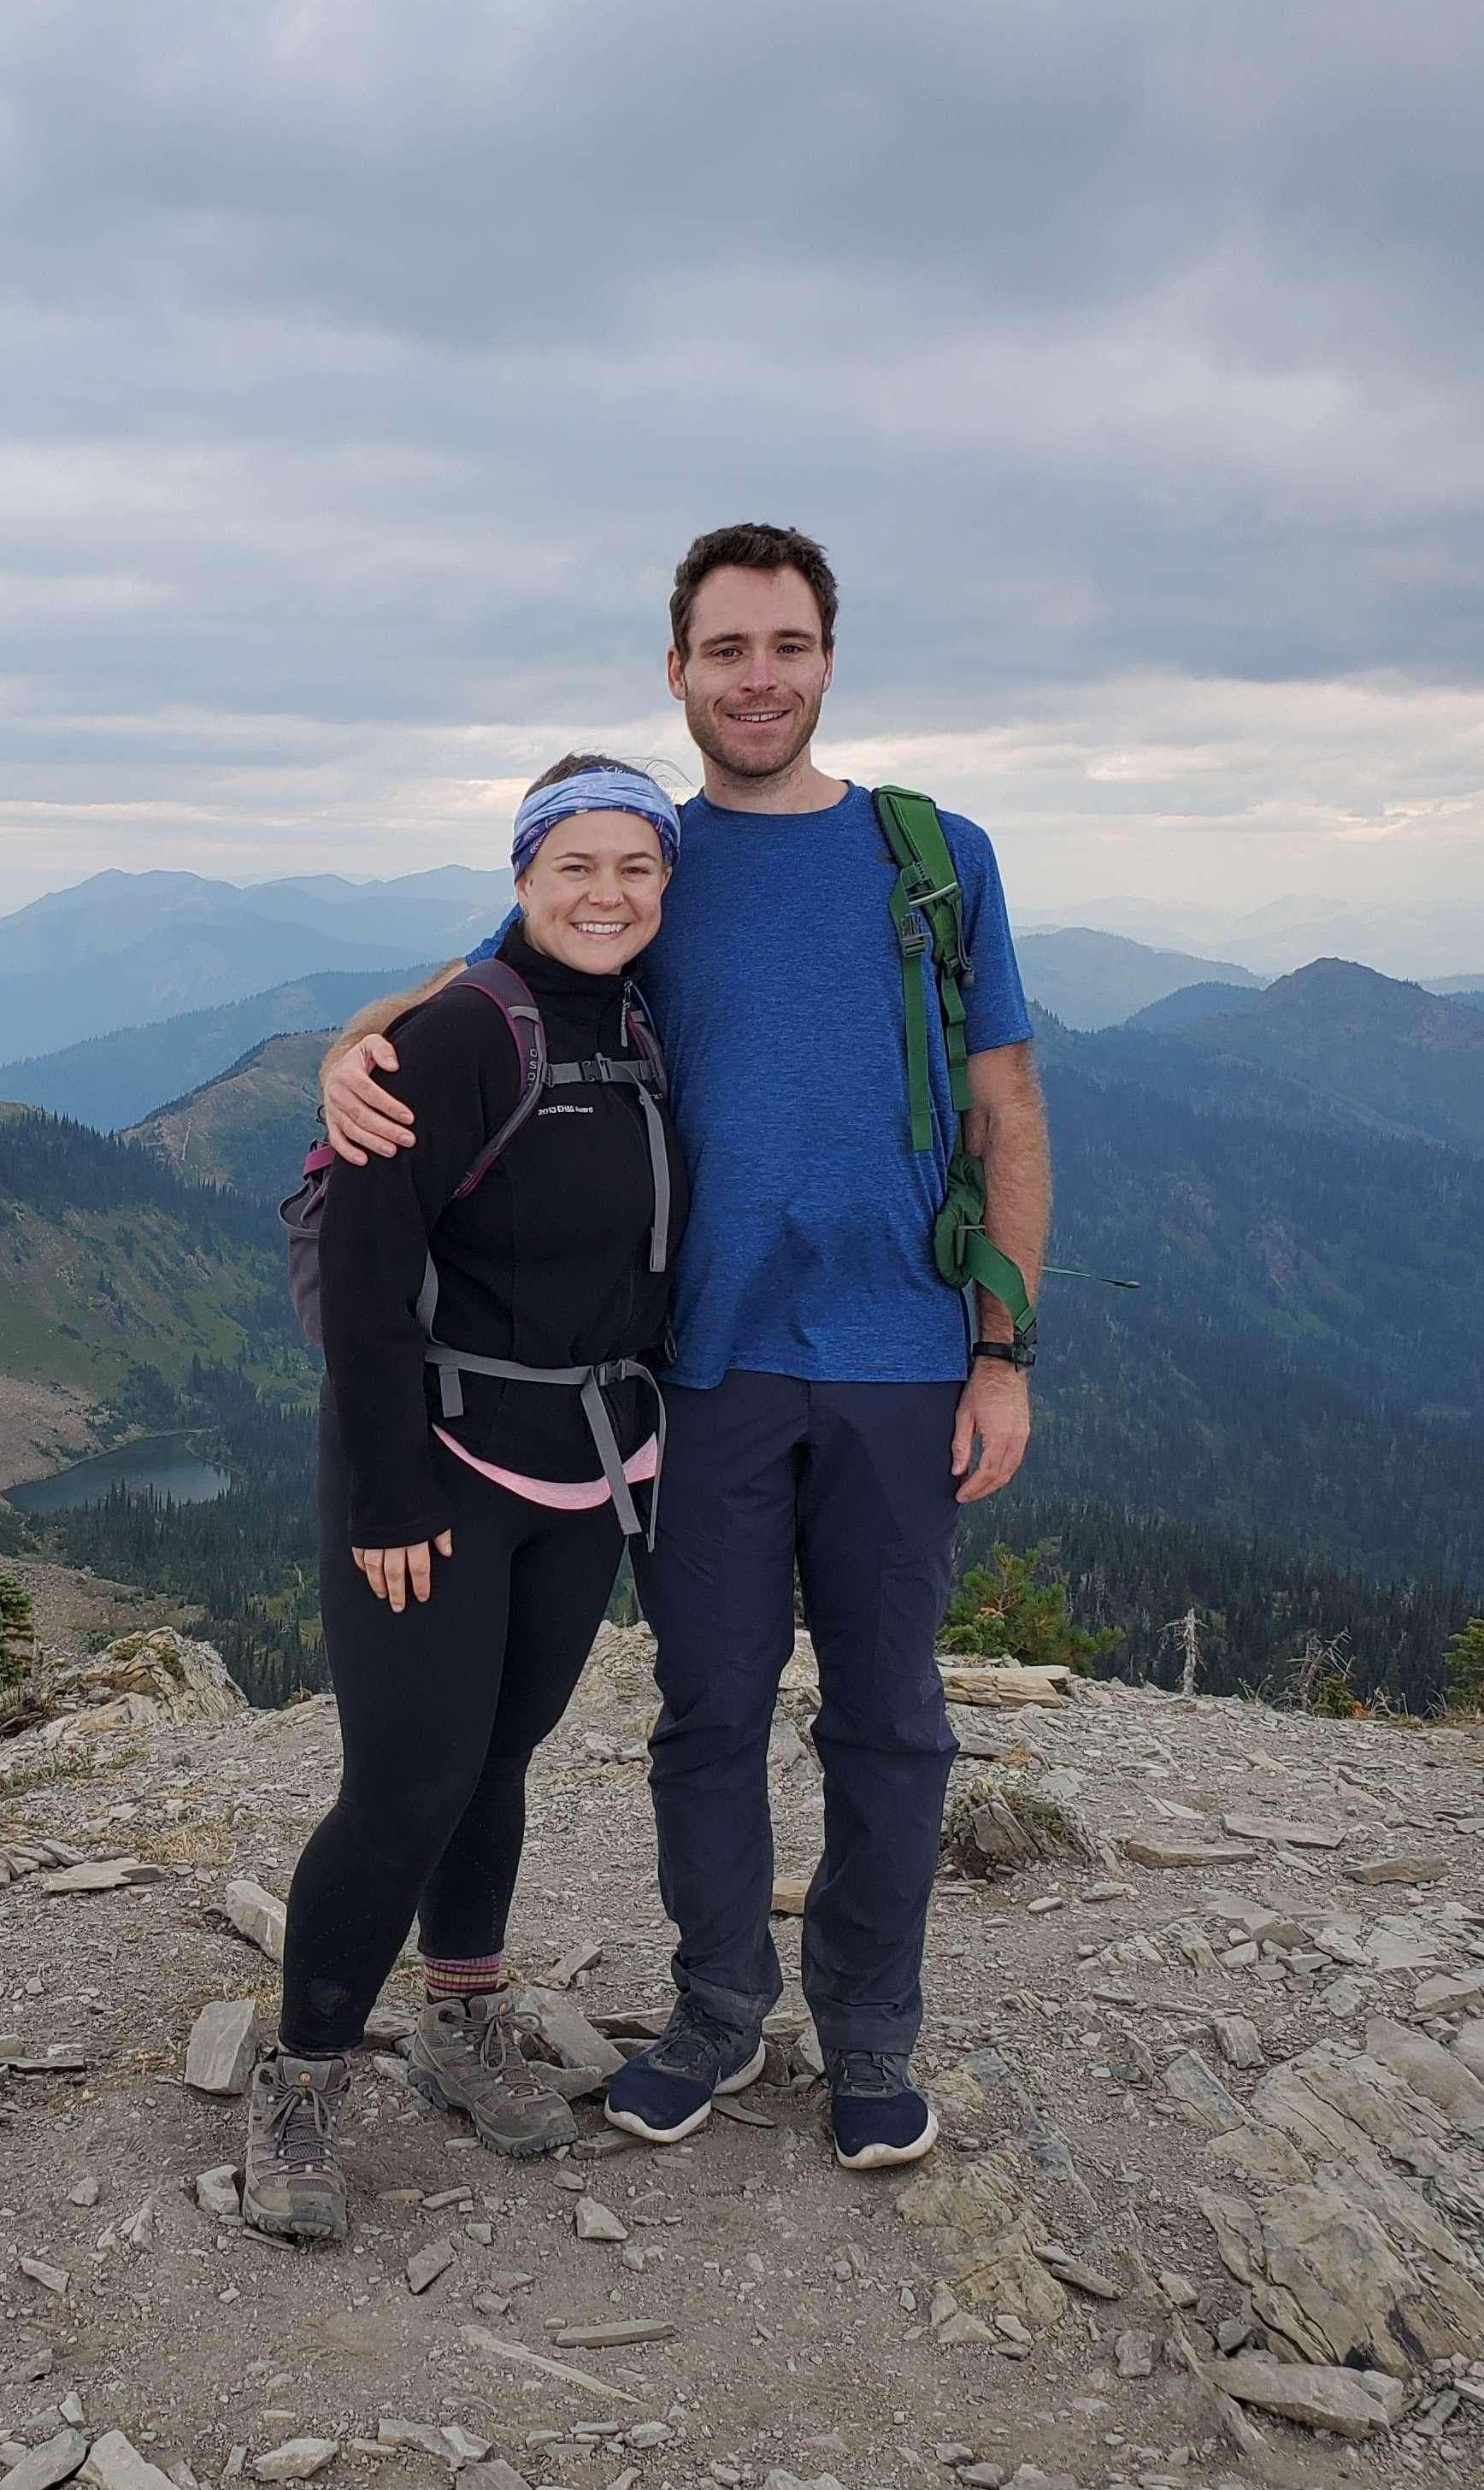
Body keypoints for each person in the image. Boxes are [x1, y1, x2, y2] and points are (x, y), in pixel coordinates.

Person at [321, 523, 1049, 2173]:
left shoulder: (939, 857)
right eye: (726, 650)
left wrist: (1004, 1350)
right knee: (709, 1714)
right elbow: (491, 968)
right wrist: (346, 1049)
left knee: (889, 1717)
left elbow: (1007, 1105)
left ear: (828, 662)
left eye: (786, 646)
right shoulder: (656, 851)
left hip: (899, 1354)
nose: (759, 678)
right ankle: (719, 2012)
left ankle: (870, 2035)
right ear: (678, 671)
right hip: (701, 1370)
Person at [243, 758, 689, 2243]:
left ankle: (459, 2017)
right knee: (407, 1783)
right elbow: (367, 1281)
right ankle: (302, 2074)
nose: (608, 893)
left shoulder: (640, 1019)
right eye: (576, 865)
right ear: (522, 874)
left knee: (501, 1753)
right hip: (434, 1469)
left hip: (587, 1462)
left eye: (638, 866)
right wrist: (382, 1495)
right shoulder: (453, 1039)